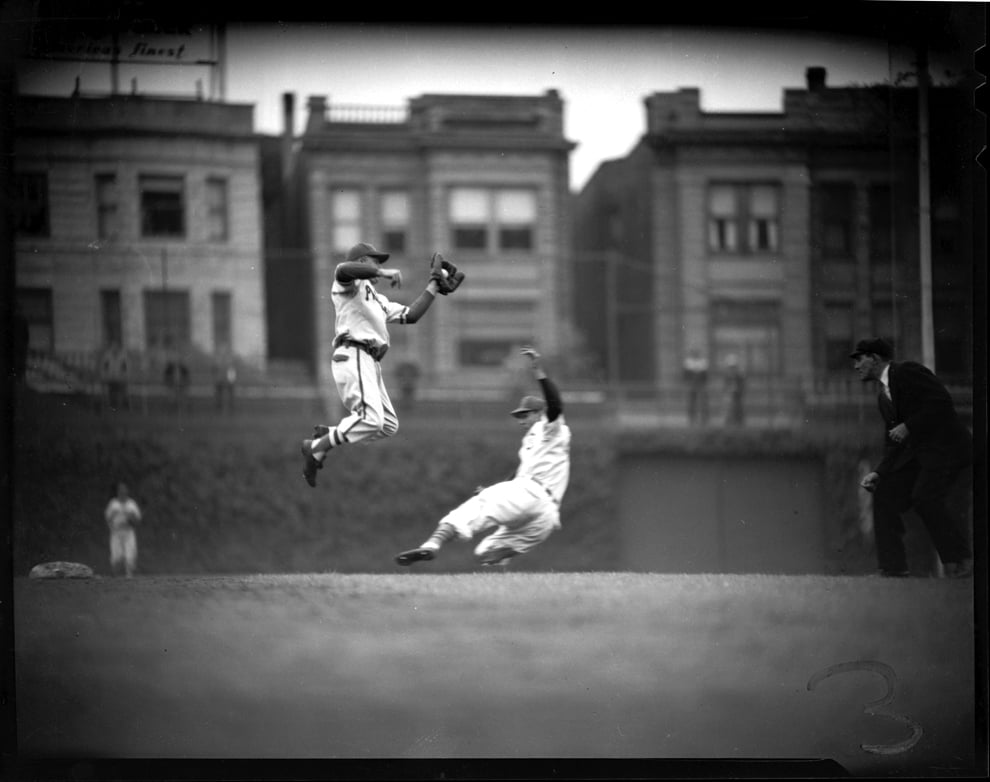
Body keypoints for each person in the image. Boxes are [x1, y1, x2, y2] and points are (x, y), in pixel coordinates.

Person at [300, 242, 461, 487]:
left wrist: (434, 286)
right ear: (363, 262)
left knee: (387, 425)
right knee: (371, 420)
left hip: (370, 363)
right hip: (353, 354)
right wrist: (380, 273)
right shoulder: (349, 286)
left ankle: (327, 437)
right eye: (376, 261)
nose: (380, 265)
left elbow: (411, 315)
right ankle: (316, 447)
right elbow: (343, 269)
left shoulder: (378, 299)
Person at [394, 346, 570, 568]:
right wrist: (494, 488)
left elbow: (554, 404)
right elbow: (519, 475)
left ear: (538, 413)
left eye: (525, 414)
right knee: (484, 552)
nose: (521, 419)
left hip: (532, 494)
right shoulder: (532, 442)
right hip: (546, 515)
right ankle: (504, 555)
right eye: (519, 415)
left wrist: (539, 372)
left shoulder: (551, 427)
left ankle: (432, 544)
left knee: (476, 508)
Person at [850, 337, 973, 578]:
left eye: (859, 359)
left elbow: (941, 402)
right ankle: (893, 568)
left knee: (925, 498)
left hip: (948, 451)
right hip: (922, 458)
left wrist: (909, 426)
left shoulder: (908, 371)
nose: (856, 366)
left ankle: (962, 560)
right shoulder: (882, 397)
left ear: (874, 358)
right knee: (884, 493)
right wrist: (879, 472)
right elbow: (893, 443)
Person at [105, 481, 142, 577]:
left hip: (128, 532)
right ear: (117, 491)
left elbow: (137, 520)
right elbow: (108, 518)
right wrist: (112, 524)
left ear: (127, 491)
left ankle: (129, 576)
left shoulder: (131, 504)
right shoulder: (113, 504)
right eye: (120, 489)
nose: (122, 491)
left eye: (124, 489)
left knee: (130, 557)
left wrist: (131, 518)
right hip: (116, 533)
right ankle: (115, 578)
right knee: (116, 557)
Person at [683, 346, 710, 426]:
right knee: (692, 402)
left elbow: (705, 376)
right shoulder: (688, 362)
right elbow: (685, 376)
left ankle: (704, 419)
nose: (695, 354)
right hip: (692, 385)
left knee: (703, 402)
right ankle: (692, 419)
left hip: (701, 385)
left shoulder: (703, 362)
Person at [100, 342, 130, 411]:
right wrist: (106, 376)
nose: (115, 349)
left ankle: (125, 402)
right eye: (113, 347)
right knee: (112, 386)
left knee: (123, 385)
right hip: (110, 377)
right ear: (111, 348)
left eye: (116, 347)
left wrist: (123, 375)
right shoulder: (107, 356)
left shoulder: (123, 356)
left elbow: (125, 368)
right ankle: (113, 403)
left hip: (120, 377)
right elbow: (104, 368)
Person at [722, 354, 746, 426]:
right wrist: (729, 390)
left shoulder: (740, 375)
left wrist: (737, 389)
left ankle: (739, 422)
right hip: (730, 395)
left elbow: (743, 386)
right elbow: (725, 386)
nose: (732, 369)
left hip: (738, 394)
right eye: (730, 367)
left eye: (733, 367)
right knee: (728, 407)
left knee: (738, 407)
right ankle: (728, 422)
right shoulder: (727, 375)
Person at [213, 347, 237, 413]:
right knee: (219, 393)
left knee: (229, 393)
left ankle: (230, 406)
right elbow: (215, 369)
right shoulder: (219, 360)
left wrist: (231, 379)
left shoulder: (229, 361)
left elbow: (231, 370)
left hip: (227, 380)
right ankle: (219, 406)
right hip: (220, 380)